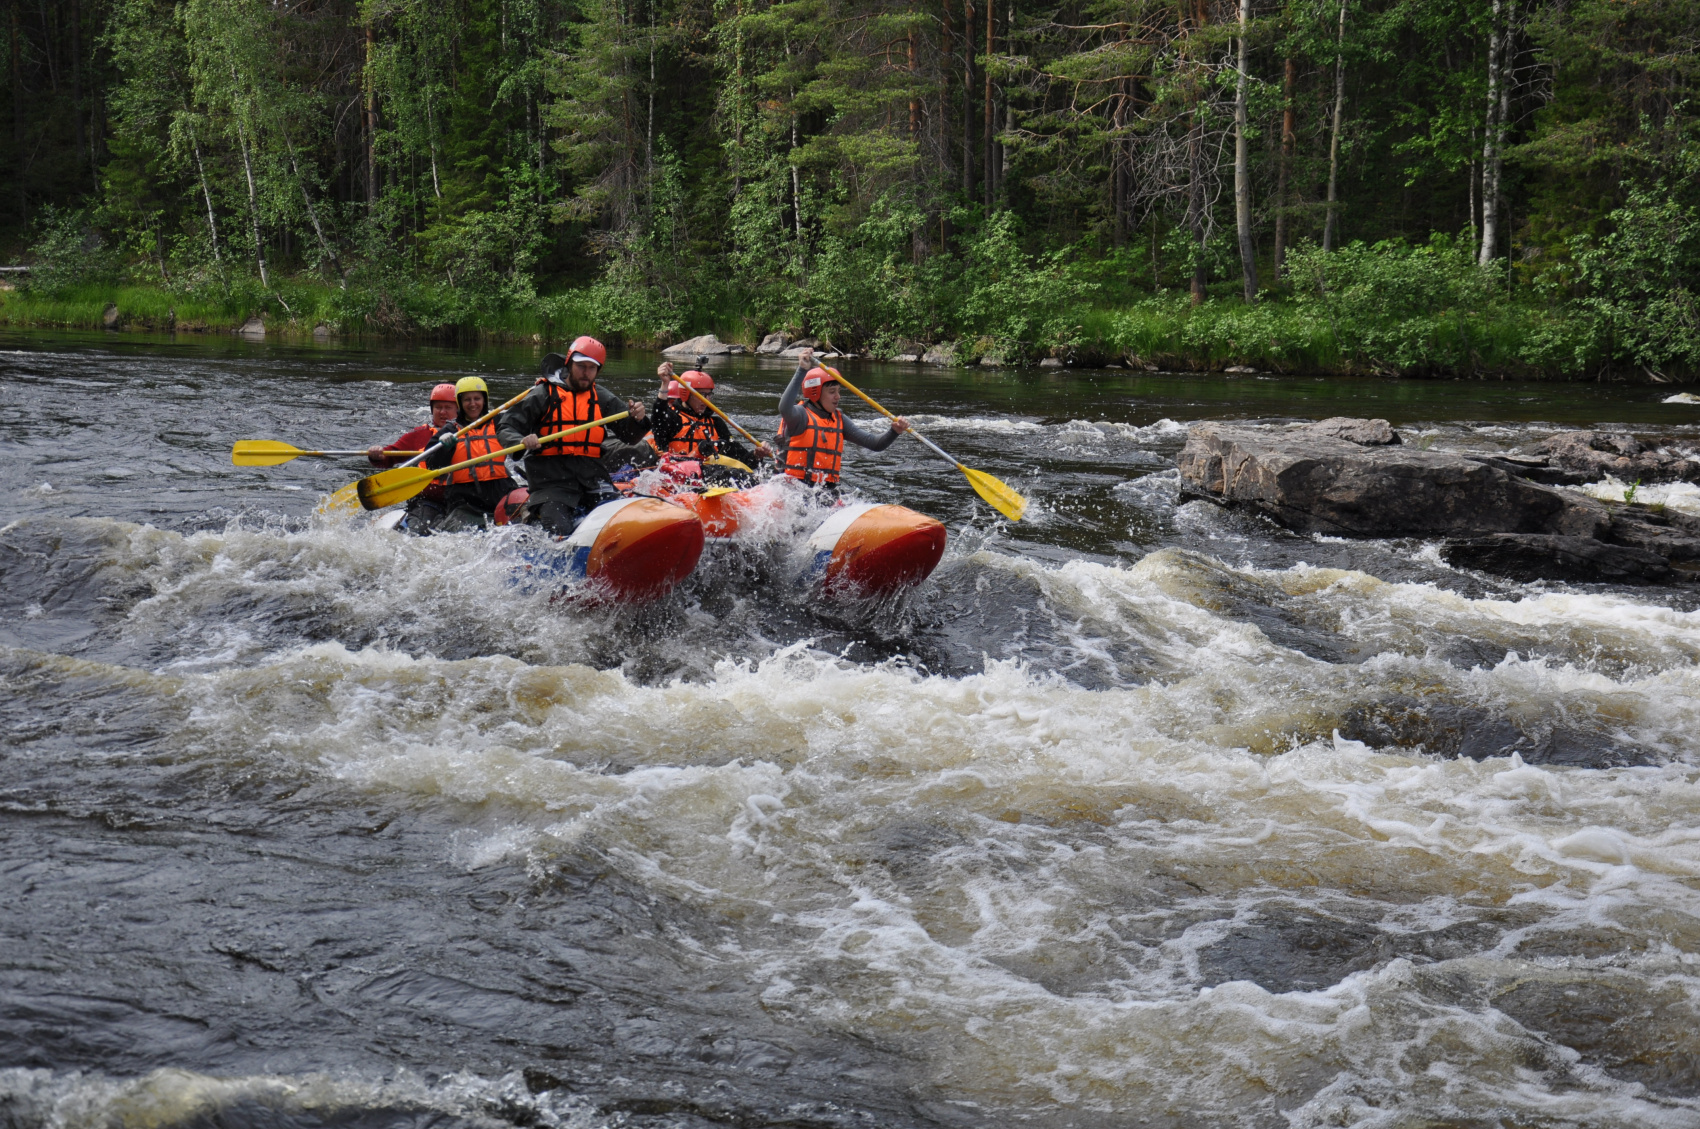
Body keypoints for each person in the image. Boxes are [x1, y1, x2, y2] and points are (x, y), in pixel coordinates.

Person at [495, 335, 649, 536]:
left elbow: (630, 436)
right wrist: (521, 441)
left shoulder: (601, 396)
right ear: (569, 364)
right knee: (558, 529)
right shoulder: (543, 394)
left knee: (624, 523)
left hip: (592, 478)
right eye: (581, 366)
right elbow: (506, 427)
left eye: (591, 368)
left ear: (598, 370)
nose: (586, 373)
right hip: (551, 481)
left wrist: (638, 419)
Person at [776, 348, 909, 490]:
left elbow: (875, 444)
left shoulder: (839, 420)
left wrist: (894, 431)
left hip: (825, 491)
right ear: (815, 394)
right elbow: (784, 407)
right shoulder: (800, 416)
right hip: (793, 490)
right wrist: (801, 370)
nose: (837, 396)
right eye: (832, 392)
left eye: (839, 391)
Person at [424, 376, 523, 532]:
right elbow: (433, 465)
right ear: (459, 403)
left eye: (477, 398)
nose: (472, 404)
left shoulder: (500, 422)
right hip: (465, 497)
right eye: (467, 400)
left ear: (484, 400)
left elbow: (519, 443)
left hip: (500, 490)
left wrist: (523, 441)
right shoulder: (450, 431)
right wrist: (445, 448)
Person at [645, 359, 771, 468]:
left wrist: (756, 455)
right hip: (679, 475)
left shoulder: (717, 424)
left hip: (710, 475)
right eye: (701, 394)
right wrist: (665, 384)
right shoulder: (673, 419)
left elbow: (741, 459)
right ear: (686, 394)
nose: (706, 400)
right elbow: (658, 420)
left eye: (709, 394)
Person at [367, 382, 459, 532]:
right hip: (427, 500)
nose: (442, 412)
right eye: (438, 407)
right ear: (432, 410)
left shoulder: (469, 434)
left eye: (448, 408)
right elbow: (390, 456)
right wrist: (377, 455)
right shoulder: (419, 434)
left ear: (458, 410)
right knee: (417, 531)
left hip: (460, 500)